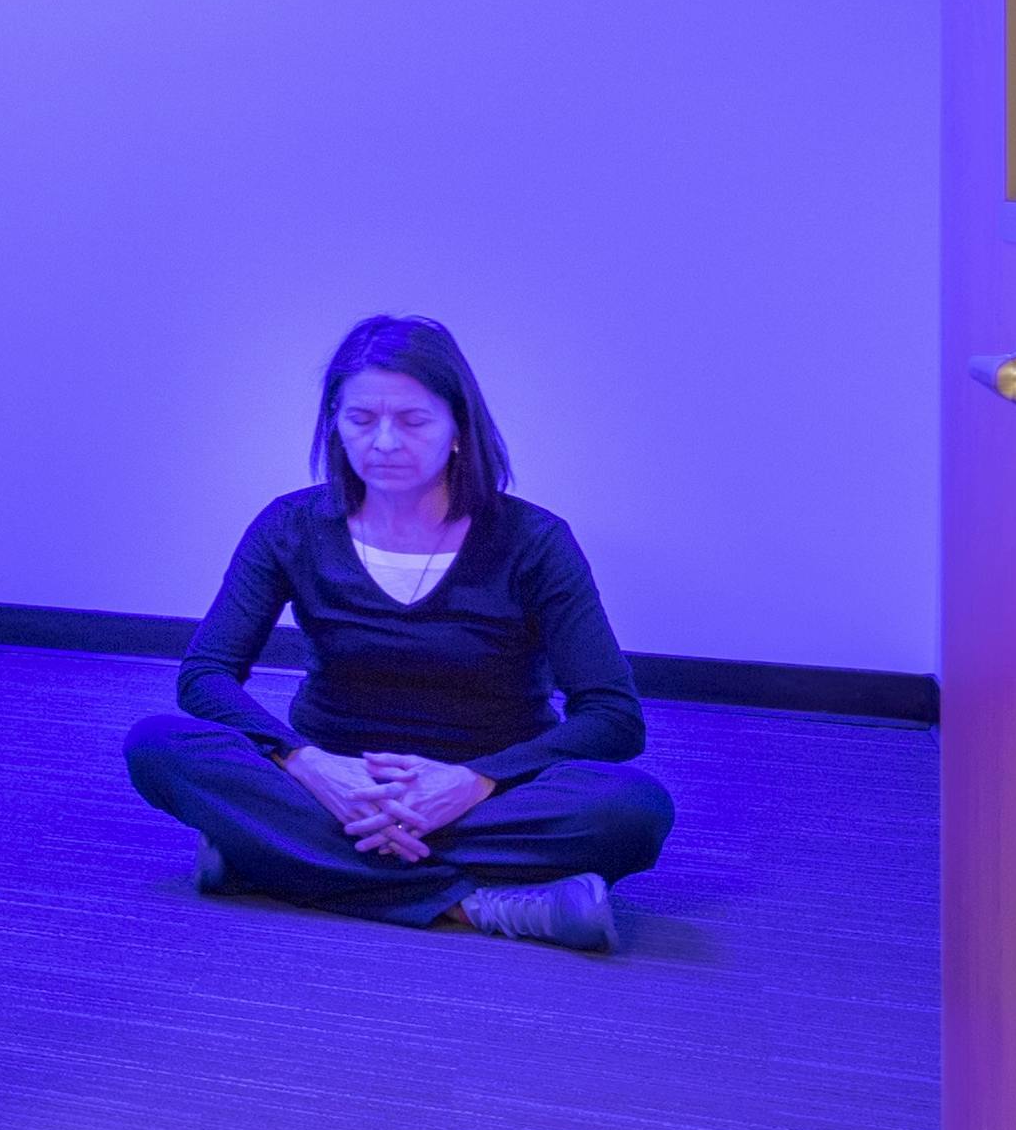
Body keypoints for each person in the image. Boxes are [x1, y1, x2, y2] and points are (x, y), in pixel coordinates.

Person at [123, 314, 673, 954]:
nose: (384, 442)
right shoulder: (290, 526)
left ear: (458, 428)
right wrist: (308, 764)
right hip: (330, 782)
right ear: (336, 422)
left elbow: (613, 716)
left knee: (634, 811)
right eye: (361, 420)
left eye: (412, 421)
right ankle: (480, 908)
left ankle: (269, 859)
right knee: (158, 745)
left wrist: (472, 782)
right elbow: (205, 675)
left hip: (489, 789)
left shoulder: (535, 542)